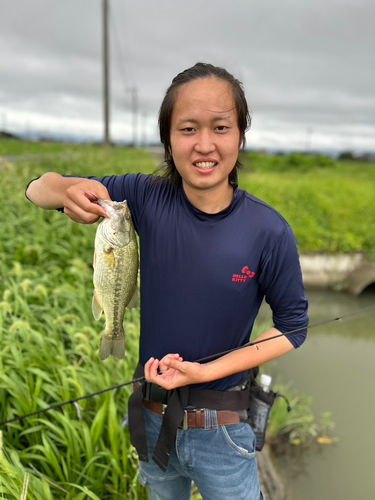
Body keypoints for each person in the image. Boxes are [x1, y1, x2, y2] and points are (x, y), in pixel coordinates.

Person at [26, 62, 308, 500]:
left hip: (225, 429)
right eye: (187, 128)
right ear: (167, 139)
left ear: (240, 134)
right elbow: (37, 187)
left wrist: (208, 370)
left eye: (220, 127)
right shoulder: (143, 197)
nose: (204, 144)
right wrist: (61, 189)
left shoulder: (268, 230)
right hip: (152, 415)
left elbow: (293, 327)